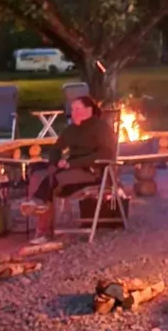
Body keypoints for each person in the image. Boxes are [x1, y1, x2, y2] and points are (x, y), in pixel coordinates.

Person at [25, 95, 117, 242]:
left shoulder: (101, 128)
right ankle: (41, 222)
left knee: (54, 179)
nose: (73, 113)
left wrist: (71, 164)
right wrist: (53, 164)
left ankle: (39, 209)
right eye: (72, 109)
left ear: (89, 110)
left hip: (91, 172)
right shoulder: (71, 130)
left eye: (77, 109)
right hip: (70, 169)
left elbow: (106, 153)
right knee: (38, 173)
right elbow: (56, 149)